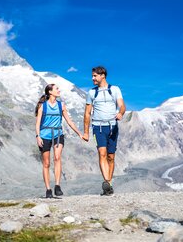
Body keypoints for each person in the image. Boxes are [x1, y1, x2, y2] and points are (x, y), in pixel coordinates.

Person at [83, 66, 126, 196]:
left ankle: (109, 183)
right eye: (92, 76)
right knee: (102, 153)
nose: (92, 78)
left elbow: (122, 106)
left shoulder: (115, 89)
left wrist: (121, 113)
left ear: (103, 75)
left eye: (95, 76)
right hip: (98, 127)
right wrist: (86, 132)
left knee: (110, 157)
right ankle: (106, 183)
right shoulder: (91, 92)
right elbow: (87, 113)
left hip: (112, 127)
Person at [35, 84, 83, 198]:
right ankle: (48, 189)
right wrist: (38, 136)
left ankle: (57, 186)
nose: (59, 90)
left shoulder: (61, 105)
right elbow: (37, 123)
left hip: (58, 134)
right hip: (44, 135)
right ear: (50, 92)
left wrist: (79, 133)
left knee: (57, 157)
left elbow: (70, 122)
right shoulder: (43, 106)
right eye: (57, 89)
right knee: (46, 163)